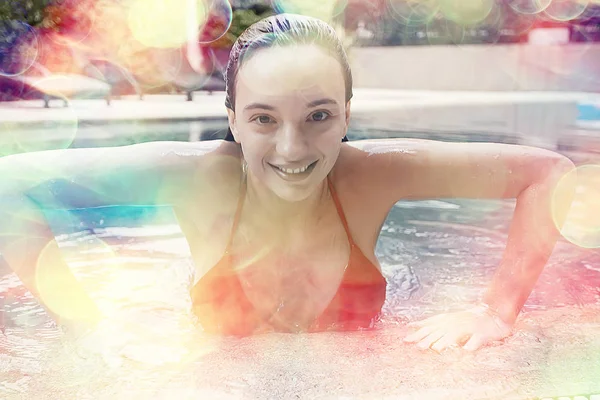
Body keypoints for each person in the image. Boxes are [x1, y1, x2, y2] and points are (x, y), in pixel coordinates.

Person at [0, 14, 575, 352]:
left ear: (348, 115)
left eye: (319, 117)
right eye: (263, 119)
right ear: (231, 120)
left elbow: (549, 174)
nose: (292, 149)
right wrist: (90, 326)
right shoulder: (194, 177)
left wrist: (495, 312)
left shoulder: (373, 174)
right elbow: (9, 182)